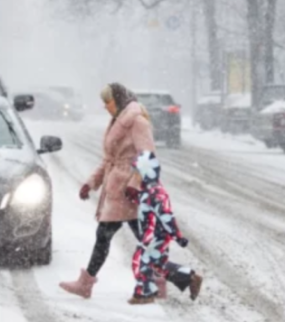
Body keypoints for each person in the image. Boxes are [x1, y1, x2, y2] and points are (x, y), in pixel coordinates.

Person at [58, 83, 195, 301]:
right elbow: (109, 160)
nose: (105, 107)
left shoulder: (136, 122)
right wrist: (91, 183)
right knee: (141, 241)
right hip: (118, 190)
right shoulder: (118, 121)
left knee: (104, 236)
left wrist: (135, 183)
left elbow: (148, 156)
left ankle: (86, 284)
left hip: (128, 192)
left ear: (118, 100)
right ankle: (182, 278)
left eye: (108, 102)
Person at [125, 151, 202, 305]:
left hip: (156, 235)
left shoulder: (156, 192)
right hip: (153, 234)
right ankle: (190, 277)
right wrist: (135, 197)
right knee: (157, 264)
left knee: (141, 259)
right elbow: (146, 203)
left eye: (137, 172)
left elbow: (166, 216)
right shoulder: (149, 190)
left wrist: (177, 236)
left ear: (147, 171)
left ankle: (145, 294)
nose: (135, 175)